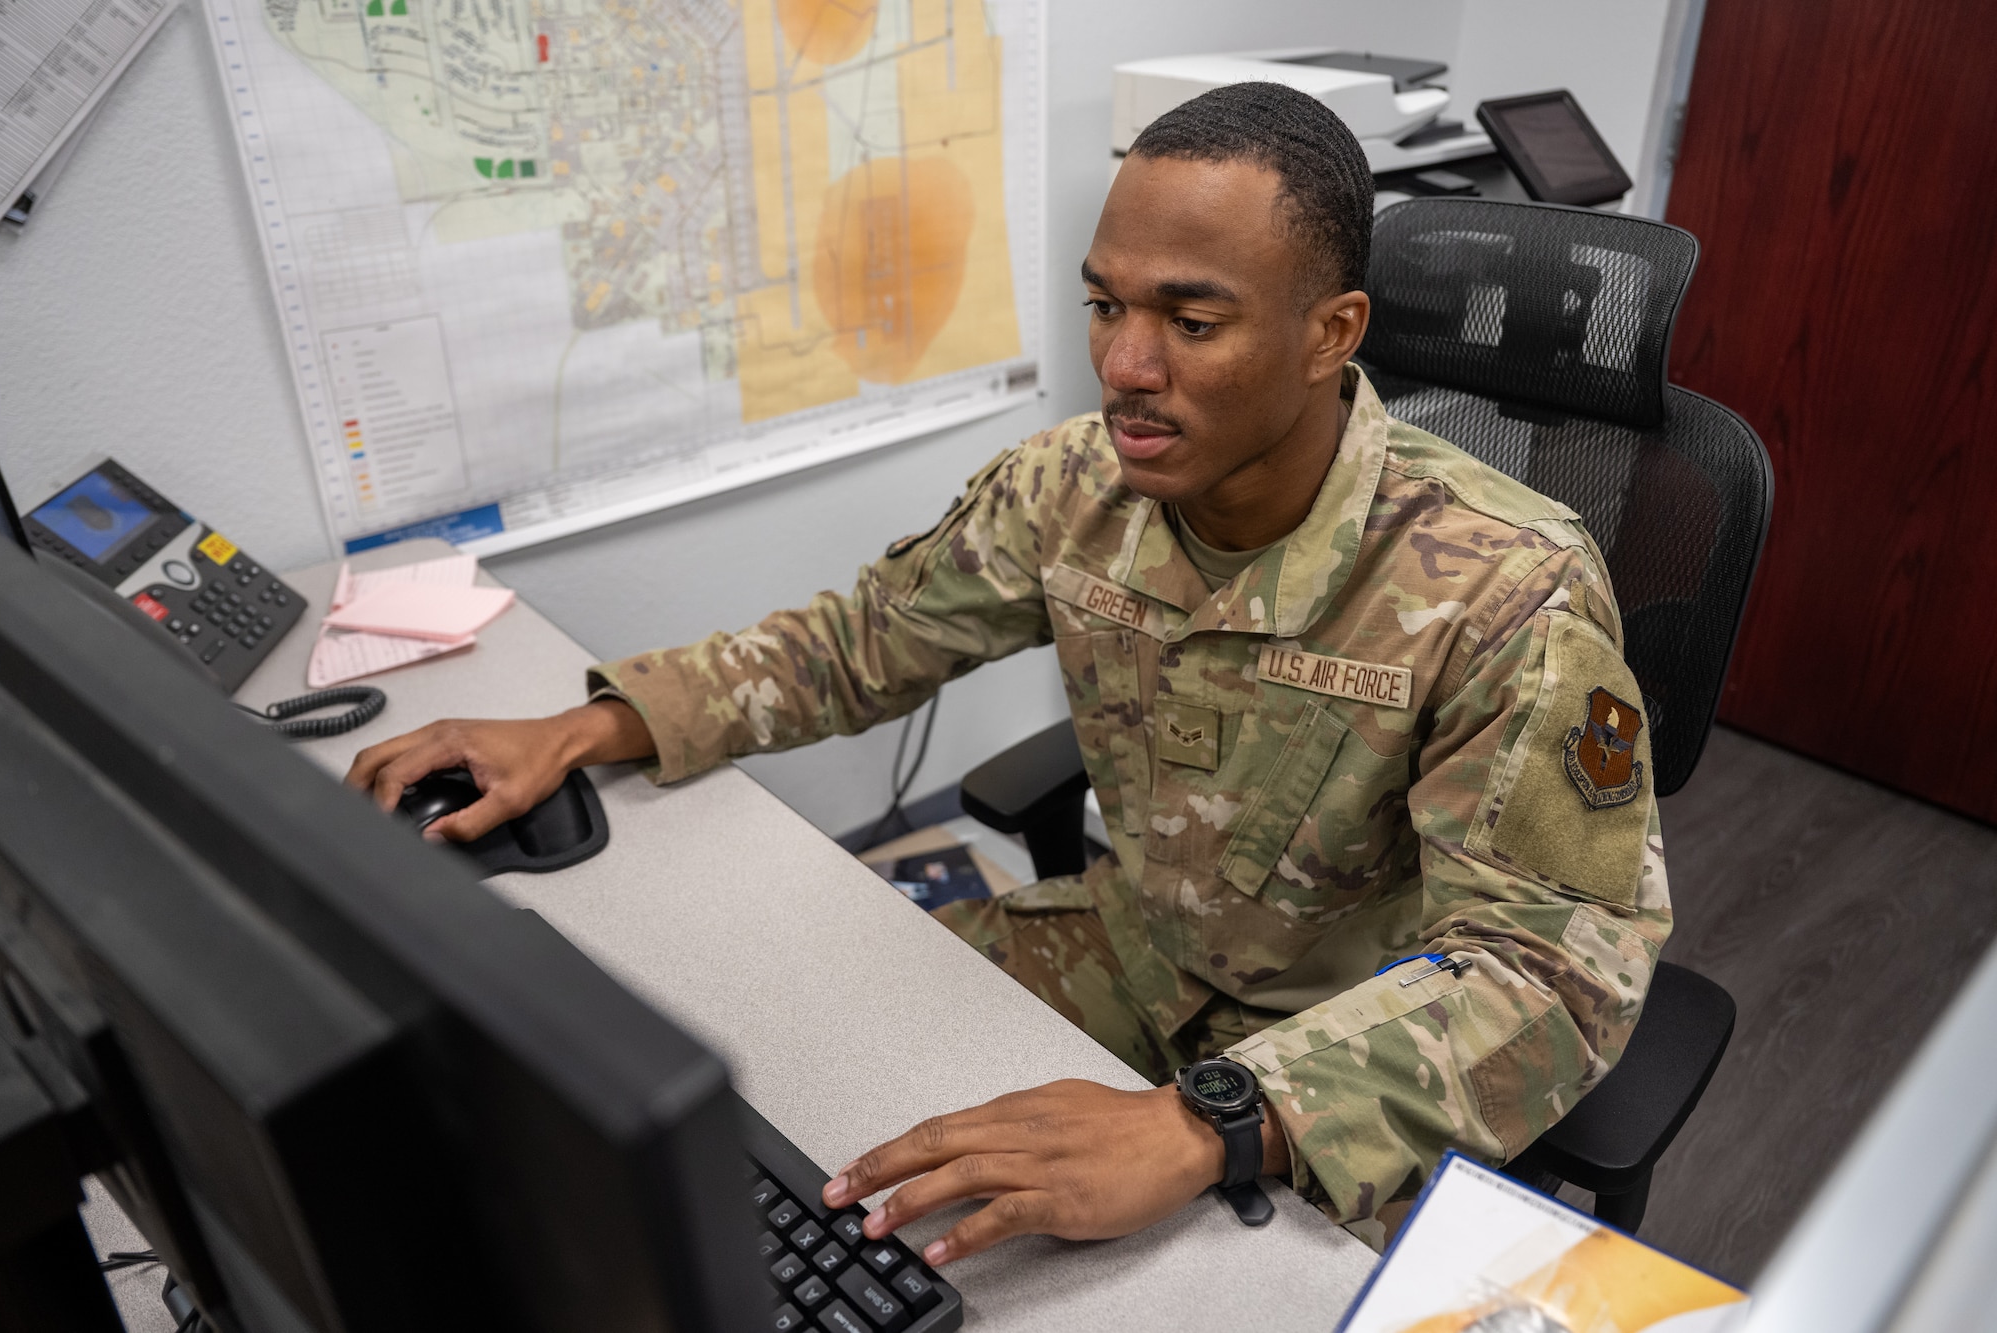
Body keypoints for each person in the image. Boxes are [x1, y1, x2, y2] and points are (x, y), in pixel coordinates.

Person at [348, 83, 1670, 1263]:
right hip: (1131, 949)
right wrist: (594, 724)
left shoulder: (1508, 586)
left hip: (1346, 1041)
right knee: (813, 1120)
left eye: (1191, 320)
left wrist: (1217, 1122)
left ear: (1333, 333)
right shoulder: (1072, 486)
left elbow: (1553, 971)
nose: (1125, 368)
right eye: (1108, 305)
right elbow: (862, 642)